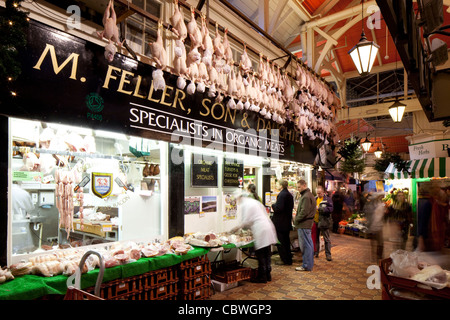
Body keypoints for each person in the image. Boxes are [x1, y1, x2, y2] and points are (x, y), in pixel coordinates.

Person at [230, 191, 277, 283]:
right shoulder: (255, 202)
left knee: (261, 255)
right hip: (268, 226)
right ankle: (268, 275)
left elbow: (246, 221)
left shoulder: (245, 204)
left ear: (239, 198)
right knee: (267, 253)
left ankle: (262, 277)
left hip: (260, 229)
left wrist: (236, 228)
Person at [293, 180, 316, 271]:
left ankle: (306, 265)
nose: (298, 189)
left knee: (305, 246)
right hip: (306, 224)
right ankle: (308, 264)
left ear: (304, 185)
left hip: (304, 224)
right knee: (308, 245)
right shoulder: (308, 195)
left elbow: (304, 212)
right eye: (297, 187)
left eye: (299, 187)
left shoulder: (306, 196)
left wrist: (296, 220)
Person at [271, 179, 294, 265]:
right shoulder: (289, 195)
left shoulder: (282, 195)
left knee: (281, 242)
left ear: (281, 186)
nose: (276, 185)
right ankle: (288, 259)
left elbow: (278, 208)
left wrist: (273, 205)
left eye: (277, 184)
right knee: (286, 241)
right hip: (286, 222)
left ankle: (284, 259)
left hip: (280, 223)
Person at [364, 192, 386, 262]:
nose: (382, 197)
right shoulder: (372, 205)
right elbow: (368, 214)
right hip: (373, 226)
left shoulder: (381, 204)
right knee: (375, 242)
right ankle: (376, 257)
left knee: (379, 243)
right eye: (381, 196)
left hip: (378, 226)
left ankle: (378, 257)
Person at [314, 186, 334, 261]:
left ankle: (328, 254)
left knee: (326, 239)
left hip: (324, 222)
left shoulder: (327, 200)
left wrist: (320, 209)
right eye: (317, 193)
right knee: (316, 238)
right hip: (316, 221)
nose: (318, 194)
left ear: (323, 192)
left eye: (319, 193)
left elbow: (330, 209)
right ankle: (316, 252)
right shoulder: (315, 199)